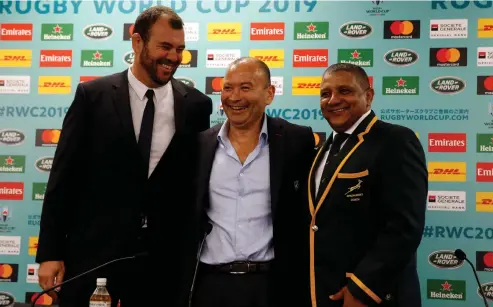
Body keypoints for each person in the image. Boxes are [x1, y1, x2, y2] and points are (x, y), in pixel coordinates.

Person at [35, 6, 212, 307]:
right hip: (95, 257)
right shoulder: (92, 97)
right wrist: (50, 252)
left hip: (162, 263)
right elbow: (64, 177)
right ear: (137, 42)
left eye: (180, 49)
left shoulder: (197, 105)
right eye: (165, 46)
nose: (174, 57)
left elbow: (193, 186)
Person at [183, 57, 315, 307]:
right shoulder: (199, 145)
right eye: (228, 87)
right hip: (209, 284)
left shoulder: (297, 141)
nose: (234, 97)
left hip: (272, 285)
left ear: (269, 94)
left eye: (245, 87)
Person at [307, 63, 427, 307]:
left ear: (368, 96)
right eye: (325, 93)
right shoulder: (321, 148)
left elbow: (404, 227)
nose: (333, 100)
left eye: (345, 91)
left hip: (372, 296)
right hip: (324, 293)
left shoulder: (395, 140)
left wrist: (362, 289)